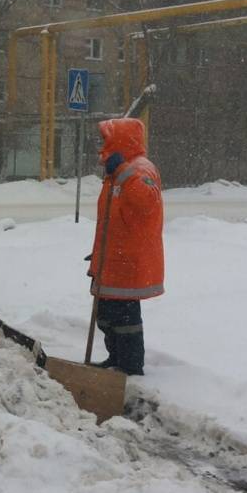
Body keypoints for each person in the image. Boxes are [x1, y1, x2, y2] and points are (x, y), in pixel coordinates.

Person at [87, 116, 164, 375]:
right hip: (113, 260)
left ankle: (130, 367)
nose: (101, 144)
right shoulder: (116, 172)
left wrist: (122, 172)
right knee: (107, 316)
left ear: (120, 140)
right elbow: (112, 219)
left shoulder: (140, 169)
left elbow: (146, 202)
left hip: (127, 264)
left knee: (125, 320)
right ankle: (116, 359)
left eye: (106, 139)